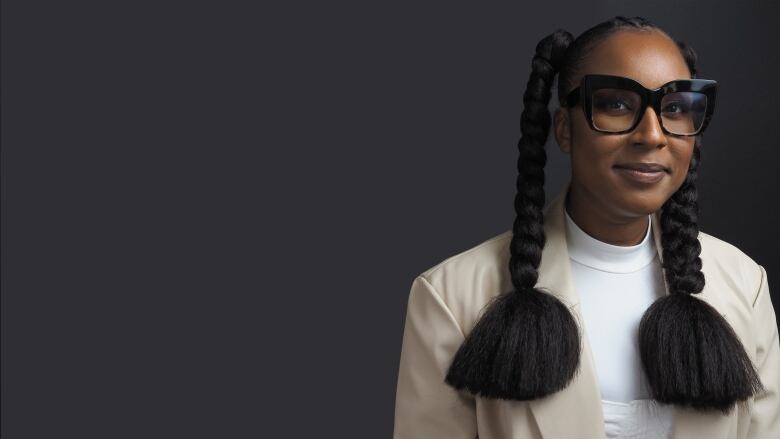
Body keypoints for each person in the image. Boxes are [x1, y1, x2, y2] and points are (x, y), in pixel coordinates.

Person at [392, 15, 780, 439]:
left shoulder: (745, 286)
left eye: (674, 108)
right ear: (563, 129)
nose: (652, 135)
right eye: (616, 104)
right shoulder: (452, 297)